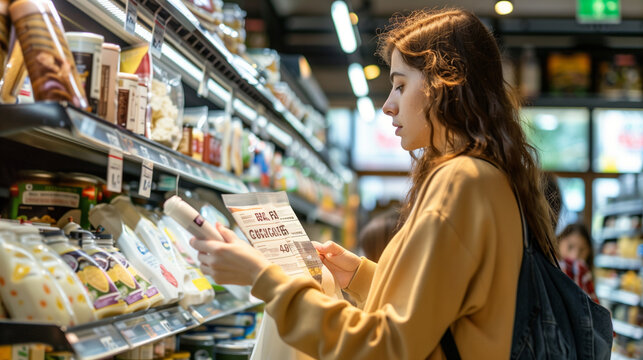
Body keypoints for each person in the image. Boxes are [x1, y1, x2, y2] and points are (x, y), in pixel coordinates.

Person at [190, 8, 559, 359]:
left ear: (443, 84)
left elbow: (386, 347)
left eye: (400, 85)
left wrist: (263, 277)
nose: (388, 105)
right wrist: (360, 275)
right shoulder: (486, 174)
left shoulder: (461, 180)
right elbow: (443, 307)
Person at [558, 223, 599, 302]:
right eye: (570, 247)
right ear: (558, 242)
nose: (574, 256)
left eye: (582, 250)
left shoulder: (586, 276)